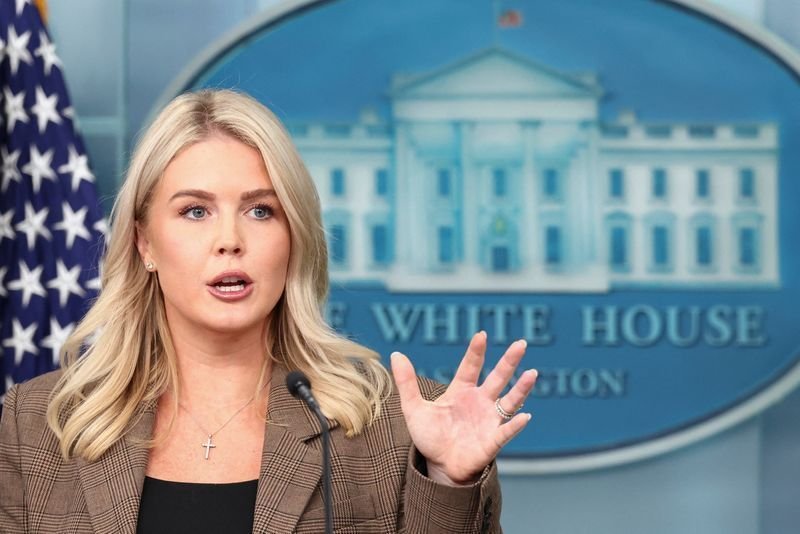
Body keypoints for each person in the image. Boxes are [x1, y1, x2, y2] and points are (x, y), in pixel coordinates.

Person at [0, 89, 537, 533]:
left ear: (293, 237)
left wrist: (447, 483)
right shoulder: (37, 422)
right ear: (145, 244)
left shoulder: (398, 427)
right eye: (195, 211)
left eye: (260, 211)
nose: (230, 240)